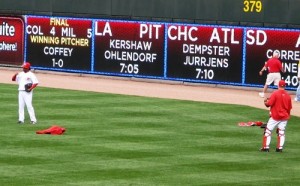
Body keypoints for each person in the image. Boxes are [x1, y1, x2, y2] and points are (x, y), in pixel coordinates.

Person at [260, 80, 292, 152]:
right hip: (284, 117)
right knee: (281, 132)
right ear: (285, 86)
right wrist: (287, 116)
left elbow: (268, 104)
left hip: (275, 116)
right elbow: (289, 108)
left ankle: (266, 148)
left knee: (268, 131)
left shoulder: (275, 93)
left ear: (278, 85)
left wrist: (265, 101)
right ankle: (279, 148)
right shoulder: (288, 96)